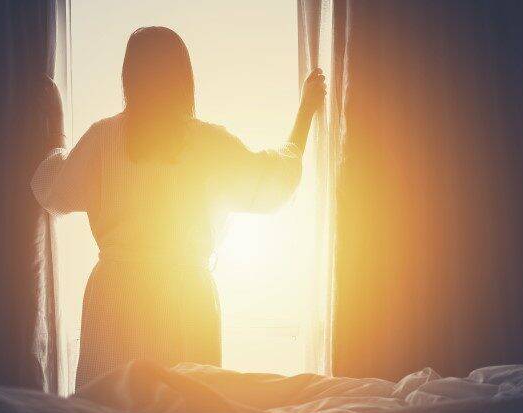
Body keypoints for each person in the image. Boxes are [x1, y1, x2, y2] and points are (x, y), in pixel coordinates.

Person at [31, 26, 326, 391]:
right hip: (186, 299)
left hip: (115, 298)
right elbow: (274, 182)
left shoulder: (102, 138)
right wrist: (305, 114)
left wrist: (57, 132)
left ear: (128, 79)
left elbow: (53, 191)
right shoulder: (208, 142)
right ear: (185, 78)